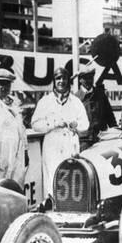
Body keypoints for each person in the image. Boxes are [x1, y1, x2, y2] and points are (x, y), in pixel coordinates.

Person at [31, 67, 89, 199]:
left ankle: (71, 207)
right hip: (52, 144)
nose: (61, 81)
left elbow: (85, 125)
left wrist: (76, 125)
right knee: (52, 177)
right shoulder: (45, 101)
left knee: (71, 177)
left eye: (64, 78)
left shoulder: (76, 102)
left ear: (68, 81)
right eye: (58, 78)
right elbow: (35, 124)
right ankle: (52, 206)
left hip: (70, 144)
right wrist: (52, 124)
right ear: (53, 81)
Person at [74, 66, 117, 151]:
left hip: (102, 140)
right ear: (80, 80)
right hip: (84, 142)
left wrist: (115, 133)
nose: (89, 81)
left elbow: (110, 117)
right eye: (86, 78)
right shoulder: (75, 98)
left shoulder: (101, 94)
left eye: (91, 78)